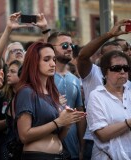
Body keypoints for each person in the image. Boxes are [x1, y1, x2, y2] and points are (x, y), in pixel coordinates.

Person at [15, 41, 86, 160]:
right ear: (34, 62)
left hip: (60, 154)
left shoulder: (52, 92)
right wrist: (58, 122)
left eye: (54, 59)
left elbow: (58, 136)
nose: (53, 64)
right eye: (46, 59)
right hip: (38, 156)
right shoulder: (26, 92)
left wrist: (67, 123)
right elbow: (24, 135)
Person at [77, 19, 131, 160]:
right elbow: (83, 56)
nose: (121, 69)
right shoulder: (92, 73)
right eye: (115, 66)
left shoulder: (128, 86)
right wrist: (109, 35)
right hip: (97, 145)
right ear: (102, 60)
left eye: (124, 67)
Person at [87, 50, 131, 159]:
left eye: (126, 68)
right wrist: (129, 122)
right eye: (116, 68)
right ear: (105, 72)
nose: (122, 71)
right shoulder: (97, 96)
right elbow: (102, 134)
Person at [48, 32, 85, 160]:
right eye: (64, 45)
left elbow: (80, 115)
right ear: (52, 48)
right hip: (48, 149)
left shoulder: (75, 79)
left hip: (73, 150)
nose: (69, 49)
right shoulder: (43, 77)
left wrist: (81, 147)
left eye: (71, 45)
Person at [0, 60, 22, 160]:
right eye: (8, 71)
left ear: (22, 74)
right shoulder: (0, 95)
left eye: (12, 72)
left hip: (22, 147)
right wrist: (12, 119)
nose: (8, 74)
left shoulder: (29, 96)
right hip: (3, 145)